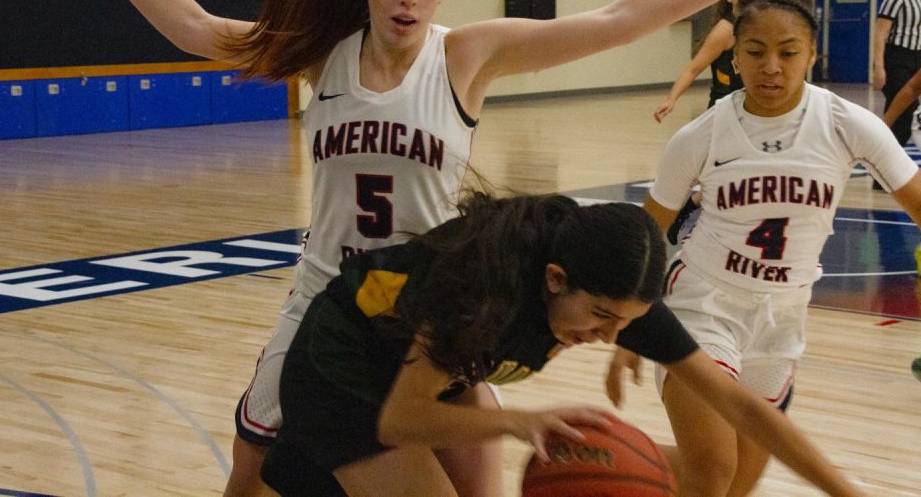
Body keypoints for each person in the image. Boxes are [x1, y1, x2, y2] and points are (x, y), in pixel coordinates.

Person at [63, 0, 838, 495]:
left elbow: (614, 20)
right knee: (252, 471)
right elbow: (196, 26)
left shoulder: (466, 55)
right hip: (330, 298)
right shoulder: (320, 56)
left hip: (445, 302)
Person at [260, 192, 862, 496]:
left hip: (433, 370)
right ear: (554, 280)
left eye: (625, 324)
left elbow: (741, 407)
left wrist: (844, 491)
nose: (607, 336)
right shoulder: (482, 293)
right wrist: (521, 420)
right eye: (600, 318)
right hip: (340, 370)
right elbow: (398, 419)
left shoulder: (618, 295)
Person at [607, 0, 921, 497]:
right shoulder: (700, 135)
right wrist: (631, 327)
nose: (770, 67)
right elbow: (646, 233)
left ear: (813, 54)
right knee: (711, 469)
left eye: (788, 52)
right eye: (754, 52)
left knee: (737, 483)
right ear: (735, 58)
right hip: (703, 302)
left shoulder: (846, 124)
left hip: (782, 316)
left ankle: (614, 461)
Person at [654, 0, 814, 124]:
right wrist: (671, 99)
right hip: (725, 108)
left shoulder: (761, 26)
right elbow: (693, 69)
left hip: (752, 106)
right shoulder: (724, 30)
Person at [872, 0, 921, 146]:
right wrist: (879, 67)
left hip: (918, 59)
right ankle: (886, 157)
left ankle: (887, 160)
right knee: (905, 109)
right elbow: (880, 33)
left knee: (899, 116)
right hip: (897, 59)